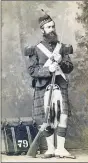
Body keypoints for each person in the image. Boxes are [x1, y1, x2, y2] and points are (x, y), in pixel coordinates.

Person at [24, 11, 74, 158]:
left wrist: (61, 62)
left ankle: (61, 149)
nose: (51, 29)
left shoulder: (62, 48)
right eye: (48, 27)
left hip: (60, 85)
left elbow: (69, 67)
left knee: (62, 116)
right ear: (42, 30)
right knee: (44, 118)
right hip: (43, 87)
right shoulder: (35, 49)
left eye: (53, 26)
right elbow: (32, 70)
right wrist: (48, 69)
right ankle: (51, 149)